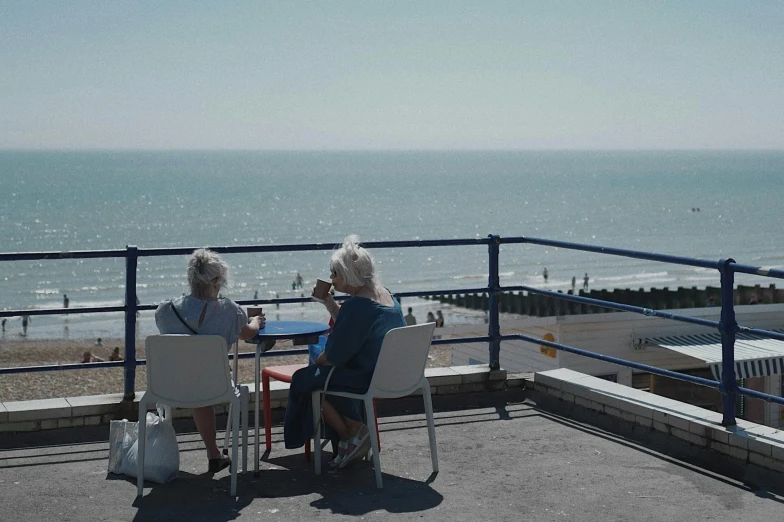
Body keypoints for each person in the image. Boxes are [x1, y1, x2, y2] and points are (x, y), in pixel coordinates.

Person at [284, 235, 405, 468]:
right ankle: (351, 435)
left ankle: (351, 432)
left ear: (348, 275)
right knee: (318, 379)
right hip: (392, 374)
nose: (331, 279)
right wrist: (329, 304)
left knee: (305, 379)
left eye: (334, 273)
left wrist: (318, 361)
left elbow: (334, 356)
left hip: (366, 376)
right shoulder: (386, 295)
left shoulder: (357, 306)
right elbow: (355, 329)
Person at [155, 248, 265, 473]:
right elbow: (247, 334)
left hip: (168, 386)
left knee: (194, 379)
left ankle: (213, 453)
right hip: (213, 387)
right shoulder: (229, 311)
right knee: (202, 384)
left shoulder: (166, 310)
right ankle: (215, 454)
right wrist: (256, 321)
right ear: (217, 282)